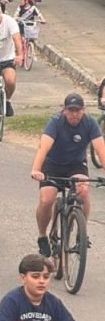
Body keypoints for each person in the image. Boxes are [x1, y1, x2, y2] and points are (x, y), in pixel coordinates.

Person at [30, 92, 105, 256]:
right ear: (64, 110)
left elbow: (101, 149)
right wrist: (36, 169)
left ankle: (82, 233)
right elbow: (43, 147)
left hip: (76, 165)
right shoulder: (55, 122)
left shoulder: (90, 123)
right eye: (70, 110)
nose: (74, 114)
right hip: (52, 164)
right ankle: (42, 236)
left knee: (83, 191)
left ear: (83, 110)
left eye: (77, 110)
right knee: (46, 199)